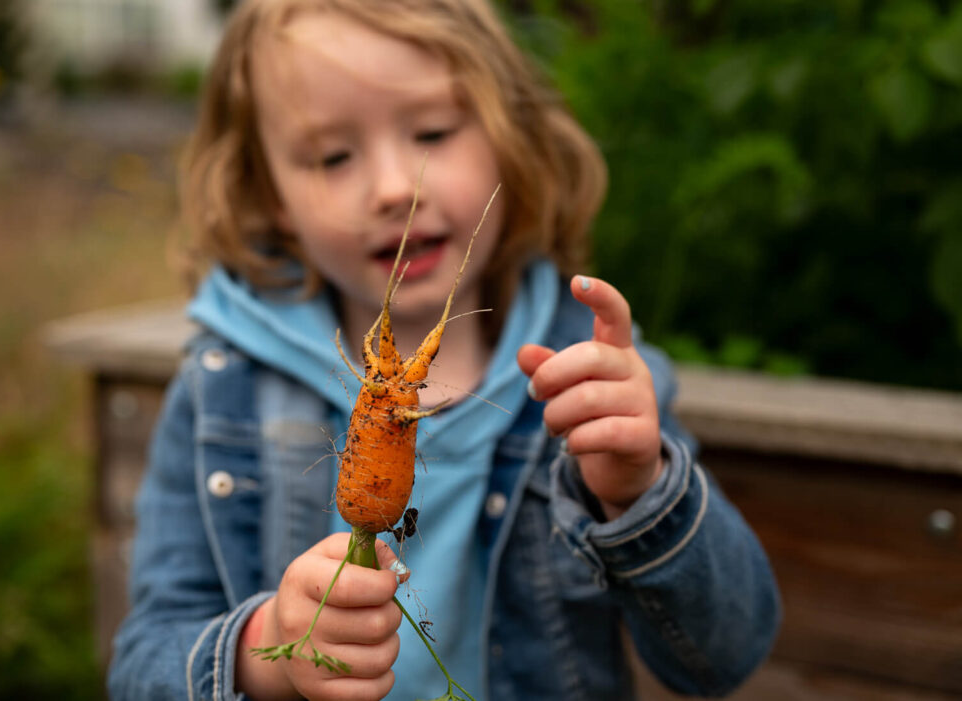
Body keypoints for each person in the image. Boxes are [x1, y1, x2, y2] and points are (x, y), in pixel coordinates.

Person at [107, 1, 780, 699]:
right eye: (334, 155)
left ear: (505, 135)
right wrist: (269, 650)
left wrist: (640, 493)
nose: (396, 188)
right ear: (270, 193)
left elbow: (723, 654)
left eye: (431, 132)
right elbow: (140, 664)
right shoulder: (224, 383)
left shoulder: (593, 380)